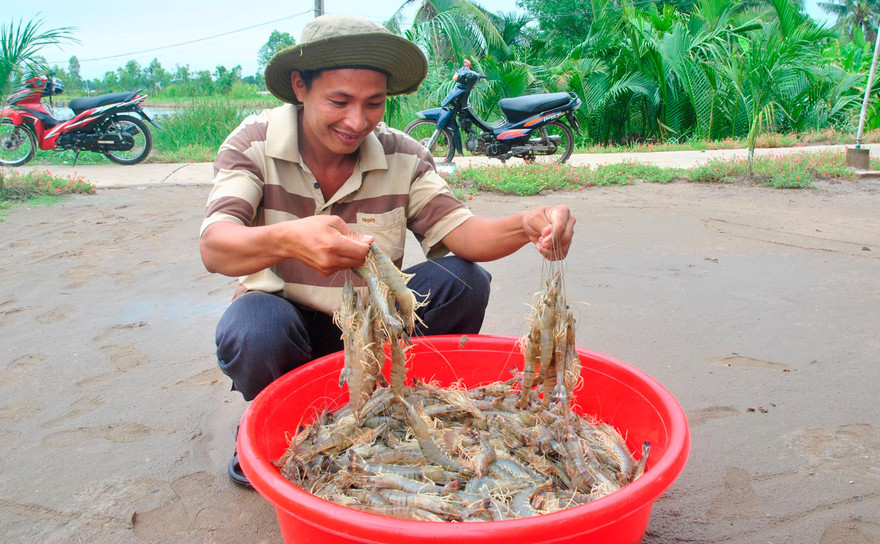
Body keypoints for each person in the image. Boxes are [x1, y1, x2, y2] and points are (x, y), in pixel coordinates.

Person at [199, 14, 576, 487]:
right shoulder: (253, 143)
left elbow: (462, 234)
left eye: (373, 104)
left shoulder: (404, 154)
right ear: (300, 86)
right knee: (254, 330)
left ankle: (393, 397)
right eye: (339, 101)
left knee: (465, 280)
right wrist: (290, 238)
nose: (357, 121)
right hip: (287, 325)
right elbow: (216, 245)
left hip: (379, 327)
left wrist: (525, 225)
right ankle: (276, 419)